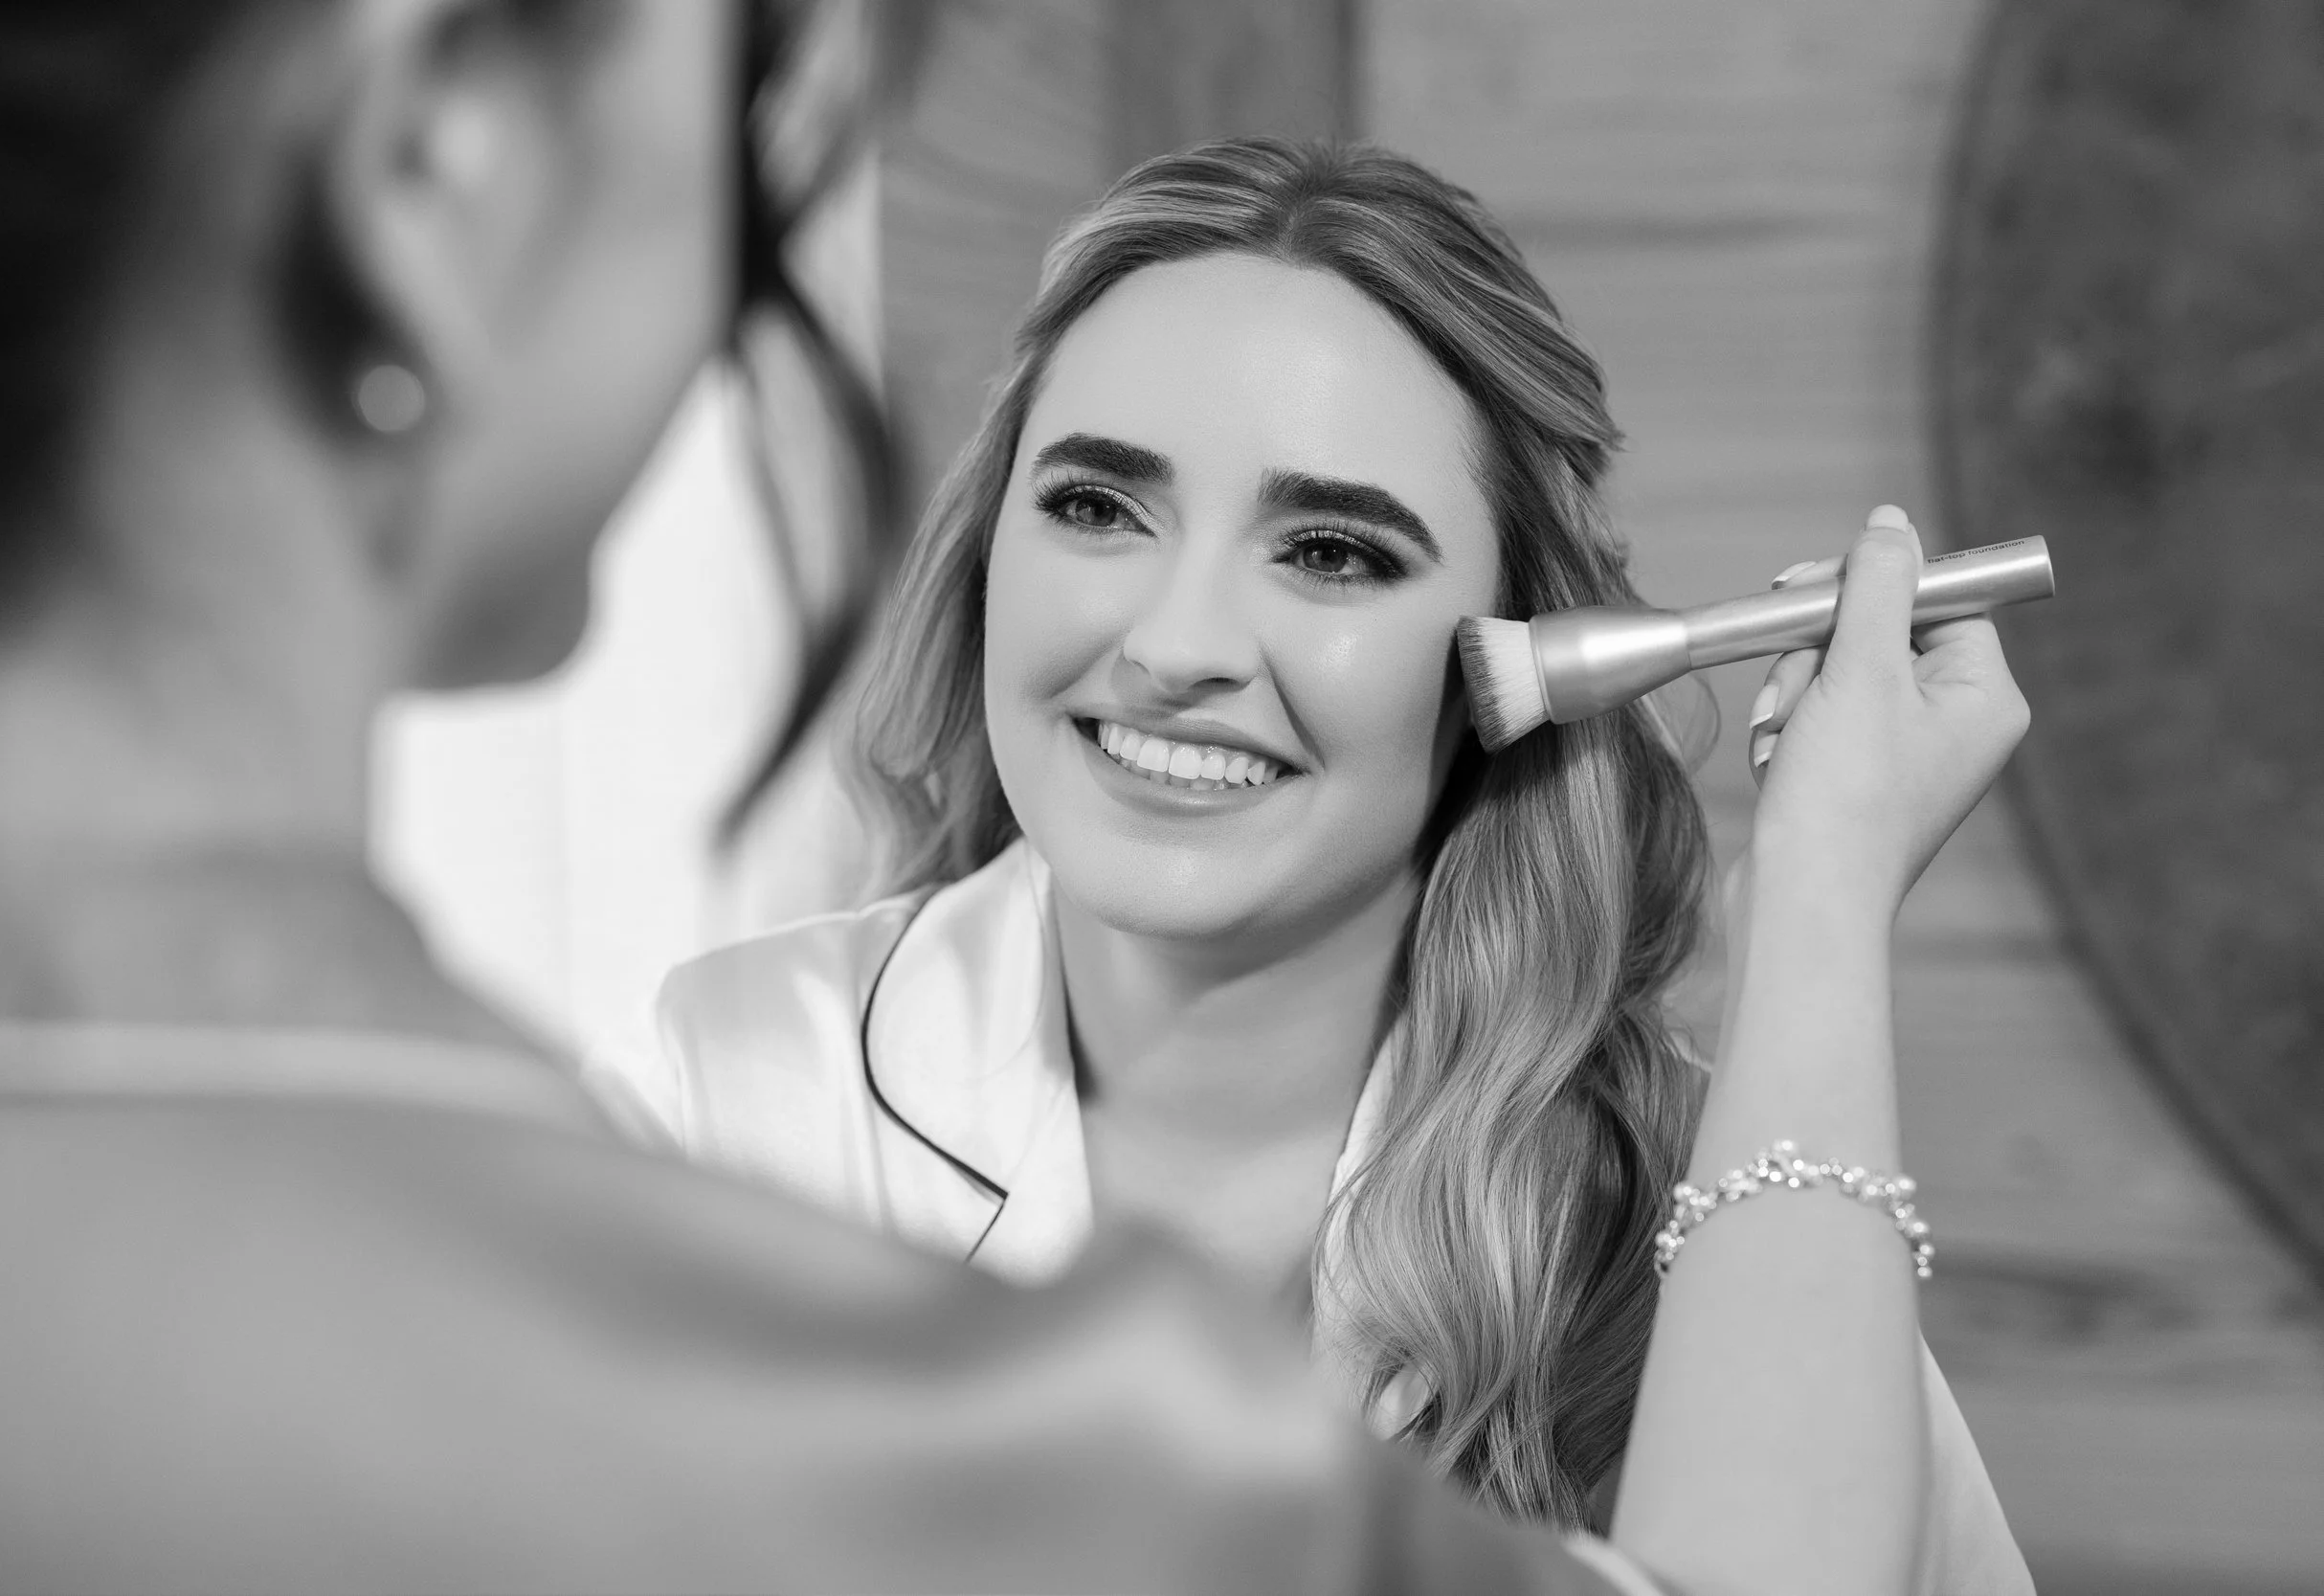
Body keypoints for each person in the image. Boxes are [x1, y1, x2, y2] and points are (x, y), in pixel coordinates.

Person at [0, 6, 2019, 1595]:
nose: (1180, 640)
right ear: (430, 158)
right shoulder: (817, 1323)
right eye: (751, 108)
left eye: (1330, 550)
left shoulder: (1703, 1270)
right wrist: (1827, 881)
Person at [630, 139, 2033, 1591]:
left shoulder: (1721, 1217)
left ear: (1518, 656)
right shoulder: (731, 1098)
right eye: (1097, 507)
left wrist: (1818, 878)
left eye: (1331, 553)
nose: (1177, 646)